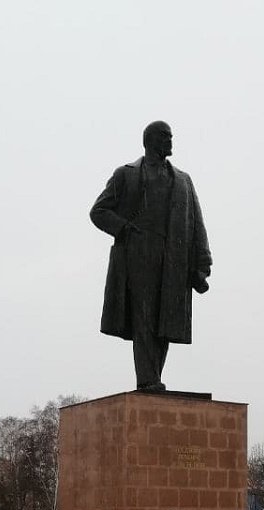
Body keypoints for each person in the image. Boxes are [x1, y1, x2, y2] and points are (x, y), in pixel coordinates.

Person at [90, 121, 212, 392]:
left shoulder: (183, 180)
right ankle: (148, 380)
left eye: (171, 137)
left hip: (174, 260)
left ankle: (153, 376)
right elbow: (98, 211)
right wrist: (124, 229)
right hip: (138, 256)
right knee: (144, 316)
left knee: (166, 321)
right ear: (150, 141)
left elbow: (196, 224)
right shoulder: (126, 174)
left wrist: (203, 263)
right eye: (166, 137)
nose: (171, 141)